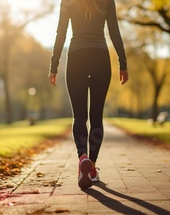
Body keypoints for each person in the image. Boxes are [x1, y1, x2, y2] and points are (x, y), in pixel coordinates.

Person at [48, 0, 128, 189]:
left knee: (79, 116)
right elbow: (114, 31)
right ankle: (91, 168)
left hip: (76, 58)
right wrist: (122, 63)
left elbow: (61, 32)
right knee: (96, 116)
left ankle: (82, 156)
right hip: (100, 57)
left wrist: (54, 66)